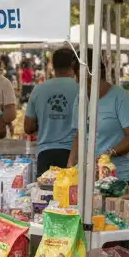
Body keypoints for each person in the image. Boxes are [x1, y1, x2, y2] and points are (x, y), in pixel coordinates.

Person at [67, 52, 129, 183]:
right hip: (88, 176)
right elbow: (79, 133)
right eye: (77, 76)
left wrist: (109, 154)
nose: (78, 81)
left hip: (117, 178)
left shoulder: (121, 98)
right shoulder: (80, 99)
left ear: (96, 73)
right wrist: (71, 163)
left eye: (82, 76)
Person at [24, 47, 80, 175]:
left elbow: (28, 127)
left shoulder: (39, 89)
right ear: (74, 65)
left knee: (45, 193)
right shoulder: (81, 89)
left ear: (52, 65)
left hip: (46, 153)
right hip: (74, 154)